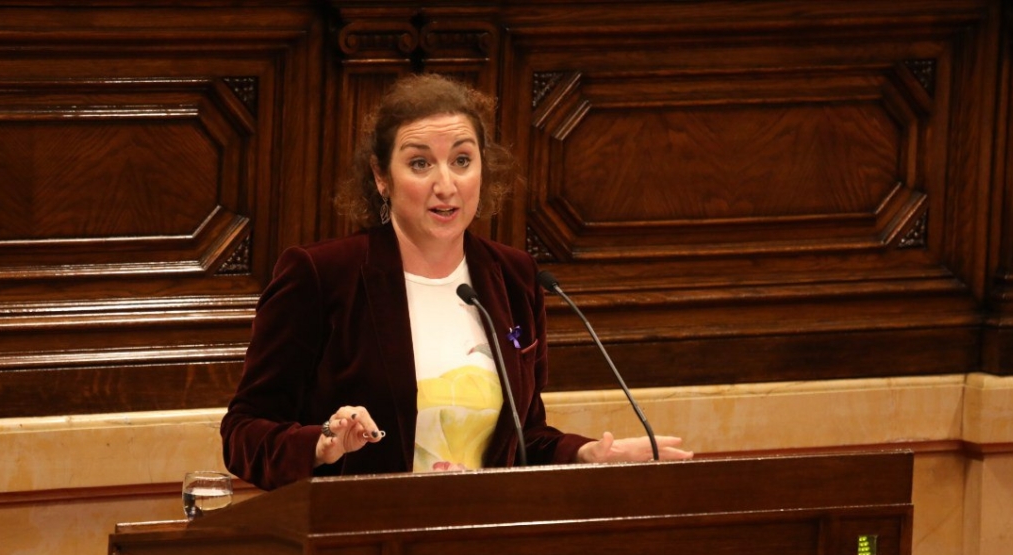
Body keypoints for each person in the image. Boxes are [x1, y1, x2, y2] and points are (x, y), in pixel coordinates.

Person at [221, 73, 691, 491]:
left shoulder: (512, 278)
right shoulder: (323, 276)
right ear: (381, 176)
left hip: (473, 551)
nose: (446, 185)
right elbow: (244, 434)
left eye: (462, 160)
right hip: (359, 551)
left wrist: (584, 455)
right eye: (421, 163)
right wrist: (323, 443)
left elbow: (523, 438)